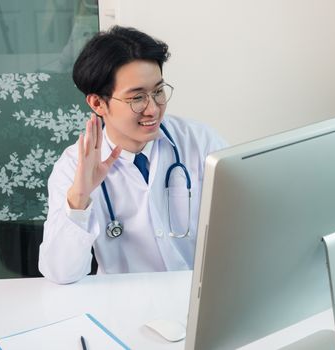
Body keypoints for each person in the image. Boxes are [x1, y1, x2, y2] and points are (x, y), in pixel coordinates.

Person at [38, 26, 228, 284]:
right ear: (97, 103)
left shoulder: (199, 141)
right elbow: (61, 274)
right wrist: (80, 197)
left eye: (158, 91)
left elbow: (244, 222)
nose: (153, 109)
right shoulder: (72, 167)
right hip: (124, 308)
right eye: (137, 98)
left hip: (197, 297)